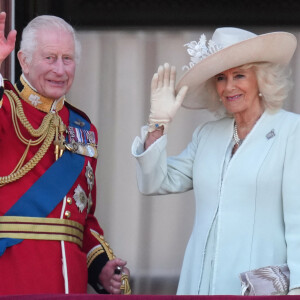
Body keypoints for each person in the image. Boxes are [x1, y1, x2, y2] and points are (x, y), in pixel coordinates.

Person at [132, 27, 300, 295]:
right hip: (200, 281)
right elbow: (157, 182)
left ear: (261, 78)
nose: (229, 86)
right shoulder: (208, 134)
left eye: (239, 75)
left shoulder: (292, 131)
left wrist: (297, 287)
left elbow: (298, 220)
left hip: (260, 284)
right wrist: (158, 124)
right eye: (221, 78)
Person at [0, 12, 130, 295]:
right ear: (24, 60)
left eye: (67, 59)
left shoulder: (83, 128)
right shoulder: (6, 110)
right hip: (11, 277)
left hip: (70, 285)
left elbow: (83, 219)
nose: (60, 70)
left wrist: (101, 268)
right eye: (50, 58)